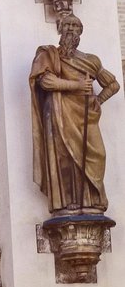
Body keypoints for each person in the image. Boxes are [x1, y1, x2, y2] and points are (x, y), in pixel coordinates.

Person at [30, 14, 119, 215]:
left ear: (81, 31)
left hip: (87, 115)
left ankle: (94, 199)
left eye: (75, 26)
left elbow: (113, 85)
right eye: (67, 25)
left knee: (97, 155)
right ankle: (70, 200)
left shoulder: (91, 61)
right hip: (61, 114)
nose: (71, 29)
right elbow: (46, 82)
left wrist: (98, 100)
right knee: (66, 157)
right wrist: (77, 85)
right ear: (60, 29)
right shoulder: (48, 55)